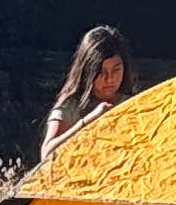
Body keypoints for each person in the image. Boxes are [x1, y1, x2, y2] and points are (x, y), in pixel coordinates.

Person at [43, 27, 131, 157]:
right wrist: (88, 121)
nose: (110, 78)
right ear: (87, 71)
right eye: (101, 72)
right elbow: (46, 154)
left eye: (116, 69)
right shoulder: (71, 106)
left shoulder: (132, 104)